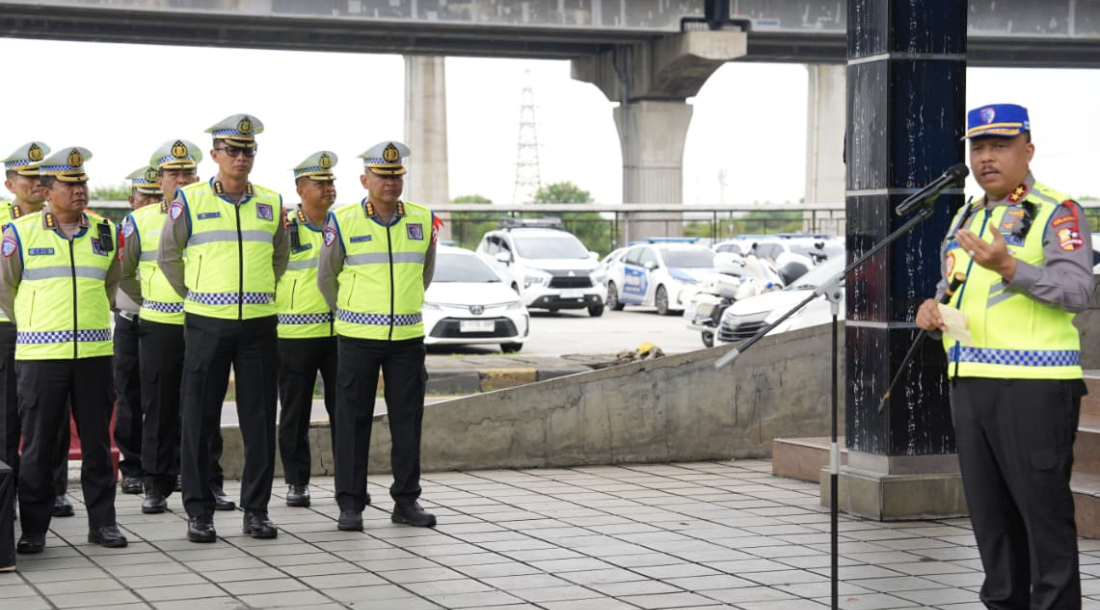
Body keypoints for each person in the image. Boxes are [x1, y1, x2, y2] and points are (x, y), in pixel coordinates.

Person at [915, 103, 1093, 610]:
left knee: (1044, 522)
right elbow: (955, 292)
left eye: (1000, 146)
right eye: (978, 146)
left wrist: (1012, 267)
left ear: (1028, 150)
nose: (986, 157)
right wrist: (932, 310)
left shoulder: (1057, 211)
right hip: (970, 384)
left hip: (1034, 388)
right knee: (992, 527)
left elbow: (1079, 290)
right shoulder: (966, 216)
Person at [158, 114, 288, 542]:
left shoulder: (271, 202)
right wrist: (197, 294)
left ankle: (257, 511)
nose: (241, 157)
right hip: (205, 324)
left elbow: (278, 259)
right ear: (214, 155)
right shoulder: (190, 200)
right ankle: (199, 511)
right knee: (198, 419)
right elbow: (169, 257)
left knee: (259, 419)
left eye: (248, 150)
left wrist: (256, 294)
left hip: (257, 325)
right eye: (232, 150)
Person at [0, 147, 127, 553]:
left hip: (93, 356)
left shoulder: (105, 230)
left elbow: (110, 282)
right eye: (70, 185)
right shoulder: (20, 233)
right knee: (37, 446)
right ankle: (35, 529)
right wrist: (37, 322)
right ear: (47, 189)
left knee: (96, 444)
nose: (80, 191)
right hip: (40, 358)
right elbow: (6, 289)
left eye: (82, 183)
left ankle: (103, 524)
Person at [319, 140, 439, 531]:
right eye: (383, 176)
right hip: (357, 339)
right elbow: (327, 278)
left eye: (396, 175)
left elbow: (425, 273)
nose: (390, 182)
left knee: (408, 421)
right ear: (364, 179)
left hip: (406, 339)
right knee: (353, 423)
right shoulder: (344, 220)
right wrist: (349, 314)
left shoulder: (422, 219)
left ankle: (406, 501)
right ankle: (350, 505)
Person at [118, 139, 235, 514]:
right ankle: (157, 484)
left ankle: (208, 481)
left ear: (198, 176)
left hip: (205, 323)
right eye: (174, 174)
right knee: (160, 406)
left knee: (205, 407)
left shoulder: (211, 211)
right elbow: (124, 273)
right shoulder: (139, 221)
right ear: (160, 179)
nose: (181, 180)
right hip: (160, 325)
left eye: (187, 173)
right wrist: (154, 297)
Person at [0, 141, 74, 519]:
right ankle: (7, 493)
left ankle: (55, 489)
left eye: (39, 178)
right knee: (7, 417)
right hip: (6, 330)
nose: (34, 184)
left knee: (53, 417)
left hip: (51, 334)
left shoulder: (66, 222)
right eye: (26, 178)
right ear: (10, 183)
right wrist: (21, 318)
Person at [275, 151, 339, 508]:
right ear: (301, 188)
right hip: (293, 337)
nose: (328, 189)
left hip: (339, 335)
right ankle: (297, 483)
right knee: (294, 414)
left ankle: (348, 481)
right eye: (320, 183)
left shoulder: (341, 223)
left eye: (331, 182)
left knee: (344, 411)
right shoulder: (284, 227)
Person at [113, 166, 162, 497]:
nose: (150, 203)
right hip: (130, 321)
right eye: (145, 197)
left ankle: (166, 466)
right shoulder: (119, 232)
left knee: (164, 398)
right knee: (129, 396)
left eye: (156, 197)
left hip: (165, 322)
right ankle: (131, 468)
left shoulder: (173, 227)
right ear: (131, 200)